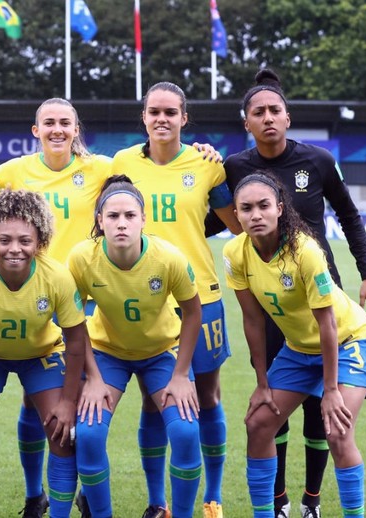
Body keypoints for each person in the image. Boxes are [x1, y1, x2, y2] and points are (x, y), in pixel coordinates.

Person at [207, 68, 366, 518]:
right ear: (246, 121)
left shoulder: (317, 164)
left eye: (275, 110)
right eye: (258, 112)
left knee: (332, 421)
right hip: (280, 313)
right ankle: (276, 506)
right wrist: (262, 383)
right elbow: (207, 219)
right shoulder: (235, 178)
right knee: (262, 419)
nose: (267, 118)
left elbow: (349, 216)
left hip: (333, 320)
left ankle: (316, 502)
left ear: (287, 117)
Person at [111, 81, 243, 518]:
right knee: (155, 398)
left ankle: (214, 497)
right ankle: (157, 503)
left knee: (206, 396)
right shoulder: (123, 163)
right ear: (144, 117)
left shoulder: (207, 165)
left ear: (184, 119)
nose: (162, 119)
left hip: (200, 295)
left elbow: (233, 223)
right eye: (154, 112)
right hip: (144, 297)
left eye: (171, 112)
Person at [223, 172, 366, 518]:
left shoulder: (305, 250)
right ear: (236, 214)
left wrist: (331, 389)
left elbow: (327, 324)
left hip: (348, 340)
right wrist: (262, 384)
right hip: (298, 349)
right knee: (258, 423)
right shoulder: (235, 253)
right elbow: (252, 320)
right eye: (246, 208)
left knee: (337, 432)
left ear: (279, 208)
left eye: (264, 206)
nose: (256, 215)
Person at [68, 175, 203, 518]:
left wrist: (182, 374)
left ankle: (171, 511)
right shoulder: (82, 259)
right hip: (107, 354)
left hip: (160, 355)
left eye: (130, 215)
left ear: (144, 219)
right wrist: (93, 378)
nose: (122, 223)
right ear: (100, 221)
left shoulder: (168, 258)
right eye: (112, 216)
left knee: (186, 432)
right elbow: (72, 323)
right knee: (88, 435)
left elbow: (192, 312)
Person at [0, 189, 89, 518]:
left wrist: (69, 402)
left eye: (25, 240)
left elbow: (76, 341)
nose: (15, 249)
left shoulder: (56, 276)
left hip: (40, 354)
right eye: (4, 240)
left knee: (61, 431)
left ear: (39, 240)